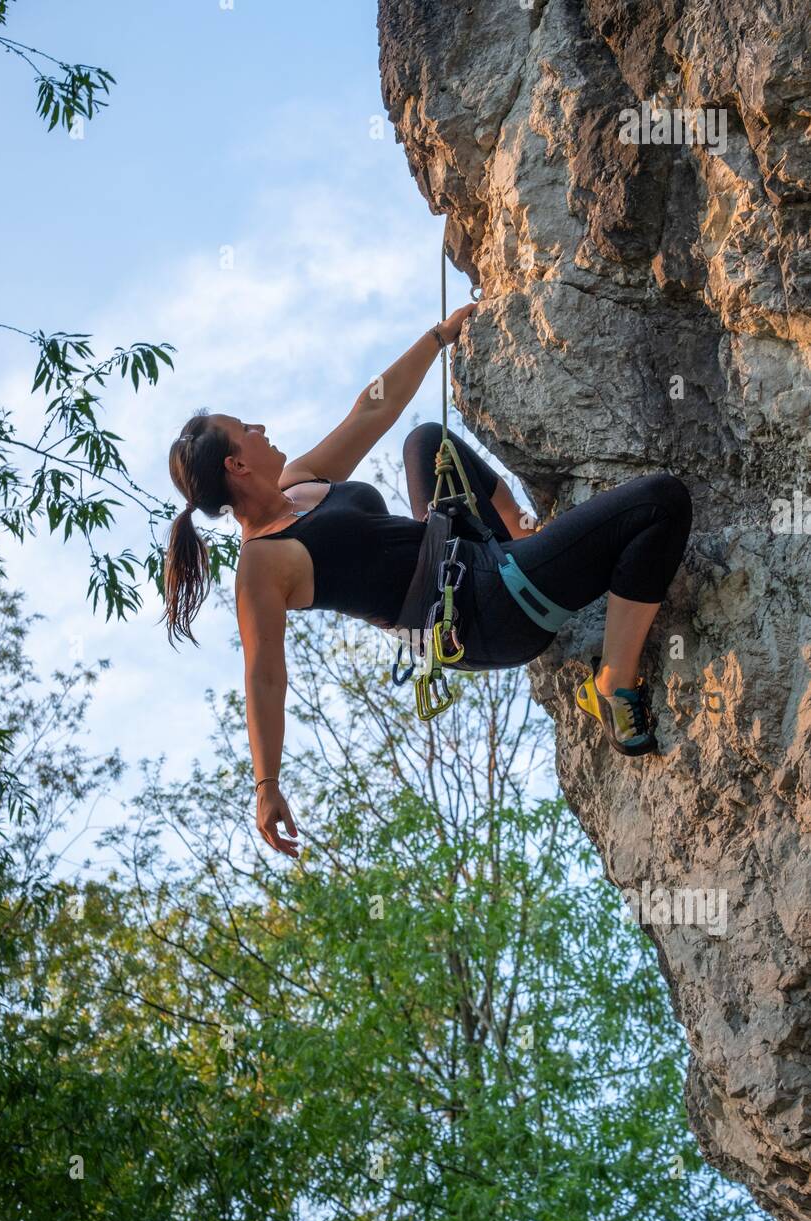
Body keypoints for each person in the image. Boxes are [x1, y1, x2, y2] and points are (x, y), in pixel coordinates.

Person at [164, 304, 692, 858]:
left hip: (464, 557)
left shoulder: (298, 484)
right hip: (482, 612)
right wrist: (266, 786)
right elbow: (265, 676)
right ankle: (614, 682)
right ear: (236, 467)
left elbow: (373, 411)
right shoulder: (263, 563)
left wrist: (438, 337)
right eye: (244, 430)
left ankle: (524, 537)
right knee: (661, 502)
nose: (260, 428)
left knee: (426, 441)